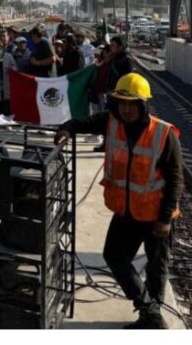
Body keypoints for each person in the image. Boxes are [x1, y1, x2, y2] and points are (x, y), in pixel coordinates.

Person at [54, 74, 183, 329]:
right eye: (121, 103)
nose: (125, 109)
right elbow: (83, 122)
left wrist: (165, 218)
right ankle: (149, 309)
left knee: (157, 268)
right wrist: (66, 129)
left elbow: (176, 180)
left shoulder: (163, 133)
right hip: (126, 211)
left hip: (156, 215)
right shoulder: (112, 121)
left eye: (132, 103)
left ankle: (150, 318)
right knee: (113, 256)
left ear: (143, 104)